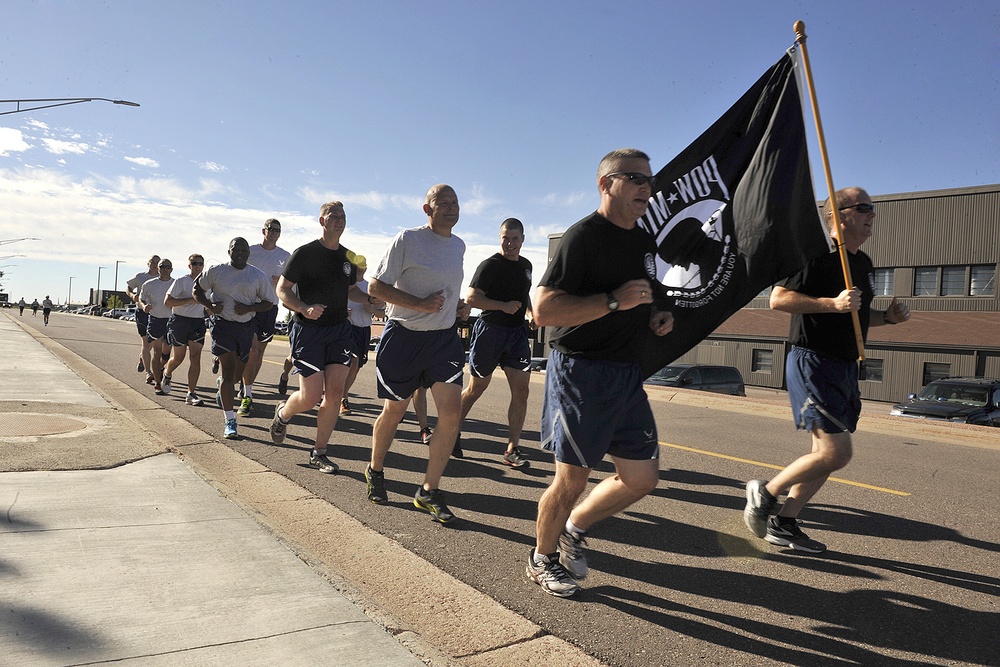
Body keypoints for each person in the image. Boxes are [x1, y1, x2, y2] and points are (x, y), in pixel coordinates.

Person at [527, 148, 674, 597]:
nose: (645, 188)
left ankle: (575, 527)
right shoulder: (583, 236)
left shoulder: (644, 242)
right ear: (605, 184)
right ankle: (541, 559)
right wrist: (612, 301)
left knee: (642, 479)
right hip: (581, 373)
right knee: (572, 479)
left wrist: (656, 316)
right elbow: (543, 310)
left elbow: (646, 297)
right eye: (633, 178)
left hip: (626, 375)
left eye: (649, 180)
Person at [744, 187, 911, 554]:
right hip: (814, 361)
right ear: (838, 216)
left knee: (824, 455)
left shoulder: (862, 262)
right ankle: (765, 494)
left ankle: (785, 522)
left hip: (845, 367)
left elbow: (856, 316)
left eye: (873, 208)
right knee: (837, 453)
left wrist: (887, 318)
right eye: (863, 207)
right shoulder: (815, 254)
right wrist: (831, 304)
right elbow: (778, 299)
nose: (872, 214)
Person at [365, 184, 471, 523]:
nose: (452, 207)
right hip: (404, 339)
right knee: (394, 412)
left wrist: (458, 308)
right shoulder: (407, 240)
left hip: (443, 341)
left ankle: (428, 490)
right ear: (428, 210)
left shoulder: (459, 245)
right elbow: (376, 287)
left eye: (455, 202)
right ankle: (375, 470)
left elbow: (447, 290)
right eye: (443, 203)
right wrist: (420, 305)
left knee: (451, 414)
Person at [269, 202, 367, 473]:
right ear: (321, 221)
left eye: (343, 217)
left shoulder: (349, 257)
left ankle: (319, 452)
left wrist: (371, 299)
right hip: (308, 331)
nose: (340, 221)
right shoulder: (305, 253)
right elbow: (282, 289)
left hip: (339, 331)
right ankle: (283, 414)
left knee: (334, 394)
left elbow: (351, 291)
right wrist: (303, 308)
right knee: (310, 397)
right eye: (334, 217)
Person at [458, 217, 535, 468]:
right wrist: (502, 306)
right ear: (499, 237)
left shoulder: (526, 265)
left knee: (522, 392)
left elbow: (523, 294)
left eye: (514, 238)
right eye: (505, 238)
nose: (510, 243)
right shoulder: (490, 265)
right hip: (490, 331)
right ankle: (450, 431)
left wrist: (531, 312)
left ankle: (513, 449)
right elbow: (471, 298)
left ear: (523, 239)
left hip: (517, 335)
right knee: (476, 389)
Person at [194, 238, 273, 440]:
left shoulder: (257, 275)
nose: (240, 253)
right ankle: (230, 420)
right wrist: (210, 307)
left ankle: (224, 384)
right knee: (229, 372)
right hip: (222, 325)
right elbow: (197, 290)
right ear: (228, 251)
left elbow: (268, 303)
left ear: (248, 253)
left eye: (244, 250)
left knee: (237, 375)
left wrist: (249, 308)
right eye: (235, 250)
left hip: (246, 327)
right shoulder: (216, 270)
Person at [238, 218, 291, 417]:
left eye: (278, 230)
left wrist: (282, 281)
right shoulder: (250, 251)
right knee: (250, 350)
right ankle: (247, 392)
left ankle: (246, 389)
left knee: (259, 352)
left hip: (270, 307)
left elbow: (292, 282)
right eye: (272, 229)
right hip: (250, 305)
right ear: (264, 231)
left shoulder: (285, 256)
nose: (275, 233)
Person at [341, 254, 385, 415]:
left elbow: (382, 314)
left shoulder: (370, 288)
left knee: (356, 366)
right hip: (346, 328)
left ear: (366, 267)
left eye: (362, 265)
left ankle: (336, 393)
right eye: (357, 265)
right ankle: (342, 398)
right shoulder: (345, 286)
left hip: (364, 330)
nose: (360, 268)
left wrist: (373, 310)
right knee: (352, 361)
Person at [163, 254, 208, 405]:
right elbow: (167, 302)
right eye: (194, 263)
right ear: (189, 266)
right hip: (179, 321)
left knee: (195, 357)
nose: (198, 266)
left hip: (197, 323)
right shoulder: (181, 281)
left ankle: (191, 394)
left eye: (200, 264)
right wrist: (190, 300)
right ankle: (167, 373)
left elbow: (211, 303)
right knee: (178, 358)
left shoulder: (207, 283)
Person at [138, 258, 175, 395]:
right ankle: (158, 383)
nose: (165, 269)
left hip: (172, 321)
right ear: (158, 268)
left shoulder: (176, 284)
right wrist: (144, 306)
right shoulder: (149, 284)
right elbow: (141, 299)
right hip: (155, 320)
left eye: (168, 267)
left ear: (171, 269)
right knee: (157, 352)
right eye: (162, 266)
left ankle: (160, 369)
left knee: (166, 353)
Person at [127, 256, 161, 384]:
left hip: (158, 313)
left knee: (154, 343)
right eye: (152, 262)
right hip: (142, 312)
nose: (154, 264)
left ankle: (143, 357)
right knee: (146, 343)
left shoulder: (163, 278)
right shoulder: (140, 277)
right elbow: (129, 288)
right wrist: (132, 295)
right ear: (148, 263)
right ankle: (148, 372)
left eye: (157, 263)